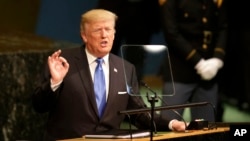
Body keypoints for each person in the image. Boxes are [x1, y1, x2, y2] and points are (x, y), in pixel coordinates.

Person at [32, 9, 186, 141]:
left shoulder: (126, 68)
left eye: (108, 29)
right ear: (84, 35)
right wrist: (55, 82)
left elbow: (138, 114)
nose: (104, 35)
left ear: (114, 34)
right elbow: (39, 106)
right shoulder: (63, 62)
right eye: (98, 30)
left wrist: (171, 124)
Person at [159, 0, 228, 122]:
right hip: (179, 71)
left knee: (206, 129)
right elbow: (171, 33)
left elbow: (223, 27)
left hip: (209, 72)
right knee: (167, 126)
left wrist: (218, 59)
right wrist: (198, 62)